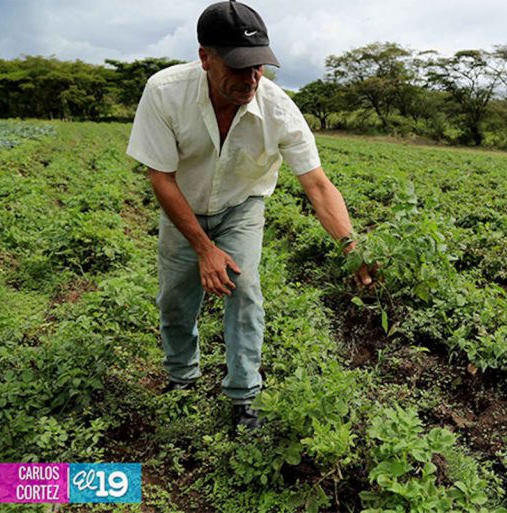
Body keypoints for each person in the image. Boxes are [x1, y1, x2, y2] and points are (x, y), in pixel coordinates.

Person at [126, 0, 373, 429]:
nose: (251, 78)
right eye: (238, 66)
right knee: (176, 299)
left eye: (258, 65)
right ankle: (181, 378)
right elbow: (161, 177)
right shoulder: (165, 92)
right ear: (205, 57)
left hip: (242, 206)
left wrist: (350, 247)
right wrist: (203, 249)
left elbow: (317, 184)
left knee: (243, 289)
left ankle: (244, 395)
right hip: (182, 203)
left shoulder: (278, 110)